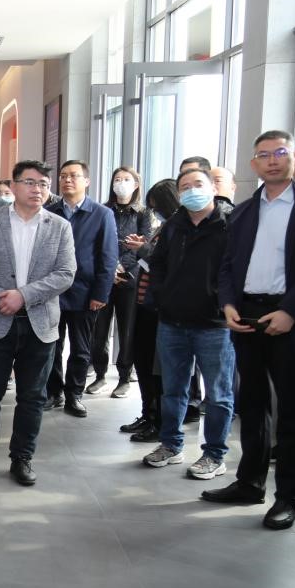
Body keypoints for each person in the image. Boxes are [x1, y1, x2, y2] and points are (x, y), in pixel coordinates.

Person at [0, 161, 76, 486]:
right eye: (30, 182)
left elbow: (66, 273)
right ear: (13, 186)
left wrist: (23, 296)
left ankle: (22, 458)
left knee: (32, 396)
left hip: (40, 324)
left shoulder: (59, 226)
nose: (38, 189)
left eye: (44, 184)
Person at [211, 131, 295, 530]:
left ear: (293, 158)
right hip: (247, 316)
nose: (273, 160)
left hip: (290, 320)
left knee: (293, 413)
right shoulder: (245, 211)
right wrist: (228, 304)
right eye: (264, 155)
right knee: (251, 404)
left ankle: (288, 496)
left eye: (280, 152)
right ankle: (250, 482)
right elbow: (228, 265)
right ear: (254, 165)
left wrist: (291, 311)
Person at [141, 166, 236, 483]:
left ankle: (214, 455)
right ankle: (171, 445)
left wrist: (223, 302)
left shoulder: (229, 223)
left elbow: (237, 268)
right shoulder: (173, 225)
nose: (192, 190)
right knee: (173, 390)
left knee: (218, 394)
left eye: (198, 184)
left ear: (213, 188)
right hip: (173, 321)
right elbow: (157, 263)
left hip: (215, 324)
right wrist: (161, 296)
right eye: (185, 186)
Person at [44, 160, 118, 417]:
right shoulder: (49, 211)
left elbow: (108, 257)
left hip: (85, 293)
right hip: (52, 291)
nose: (67, 180)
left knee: (80, 348)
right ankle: (53, 392)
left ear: (86, 181)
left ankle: (74, 395)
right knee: (51, 345)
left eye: (74, 176)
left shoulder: (101, 214)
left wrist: (101, 293)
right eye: (63, 175)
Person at [119, 179, 181, 443]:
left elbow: (163, 261)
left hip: (159, 309)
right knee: (143, 362)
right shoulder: (165, 227)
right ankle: (148, 414)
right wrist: (144, 247)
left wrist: (142, 249)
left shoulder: (178, 227)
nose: (154, 212)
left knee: (156, 369)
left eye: (157, 206)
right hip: (145, 304)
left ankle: (158, 422)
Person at [89, 166, 154, 398]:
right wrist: (110, 270)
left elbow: (144, 244)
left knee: (127, 331)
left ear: (136, 184)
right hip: (104, 279)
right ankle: (99, 374)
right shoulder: (102, 210)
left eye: (126, 179)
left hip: (131, 279)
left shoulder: (143, 213)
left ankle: (125, 377)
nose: (121, 183)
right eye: (117, 179)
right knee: (99, 330)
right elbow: (96, 243)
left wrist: (122, 267)